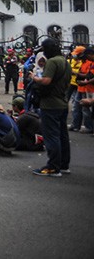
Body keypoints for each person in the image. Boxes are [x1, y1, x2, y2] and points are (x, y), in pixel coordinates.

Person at [29, 38, 73, 177]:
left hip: (50, 104)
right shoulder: (65, 62)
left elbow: (46, 81)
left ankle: (53, 167)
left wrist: (34, 78)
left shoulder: (53, 62)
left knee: (51, 136)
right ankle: (63, 165)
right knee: (62, 135)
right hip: (62, 102)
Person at [70, 46, 93, 133]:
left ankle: (89, 127)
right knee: (76, 108)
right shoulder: (82, 62)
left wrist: (76, 73)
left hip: (87, 88)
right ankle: (75, 125)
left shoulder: (89, 63)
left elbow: (88, 75)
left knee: (86, 109)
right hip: (80, 87)